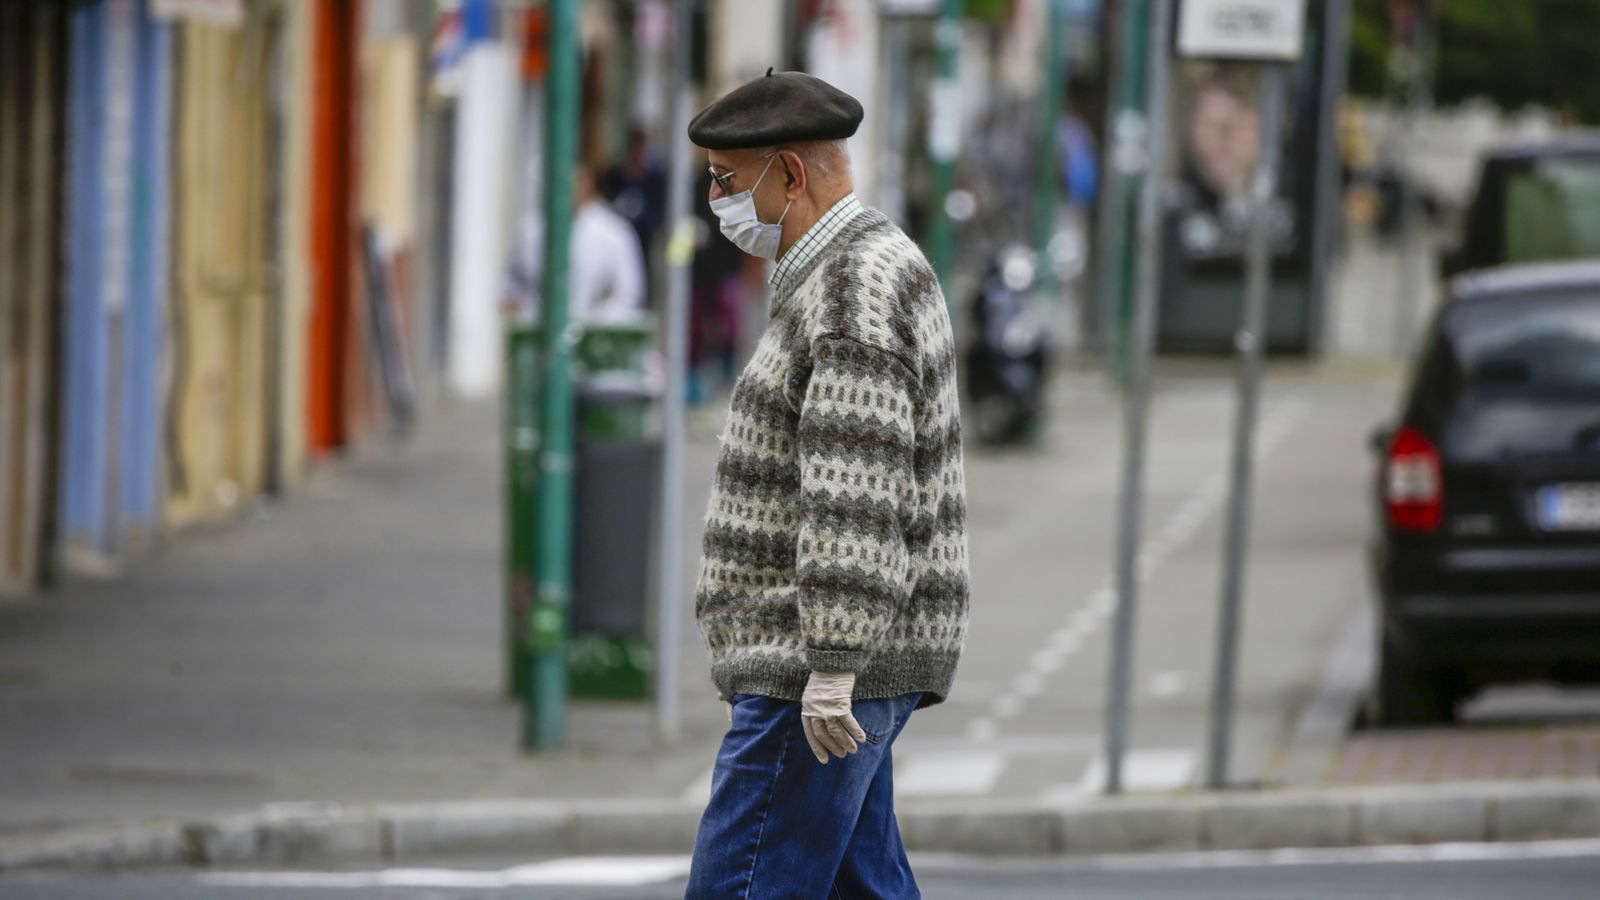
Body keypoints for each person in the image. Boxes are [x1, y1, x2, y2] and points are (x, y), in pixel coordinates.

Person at [683, 68, 970, 899]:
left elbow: (856, 493)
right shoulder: (854, 267)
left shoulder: (850, 287)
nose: (716, 202)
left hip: (810, 668)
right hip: (833, 661)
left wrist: (834, 664)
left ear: (789, 175)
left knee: (738, 888)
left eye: (726, 181)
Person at [569, 165, 646, 323]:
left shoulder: (614, 232)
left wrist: (593, 320)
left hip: (595, 331)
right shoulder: (532, 229)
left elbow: (629, 295)